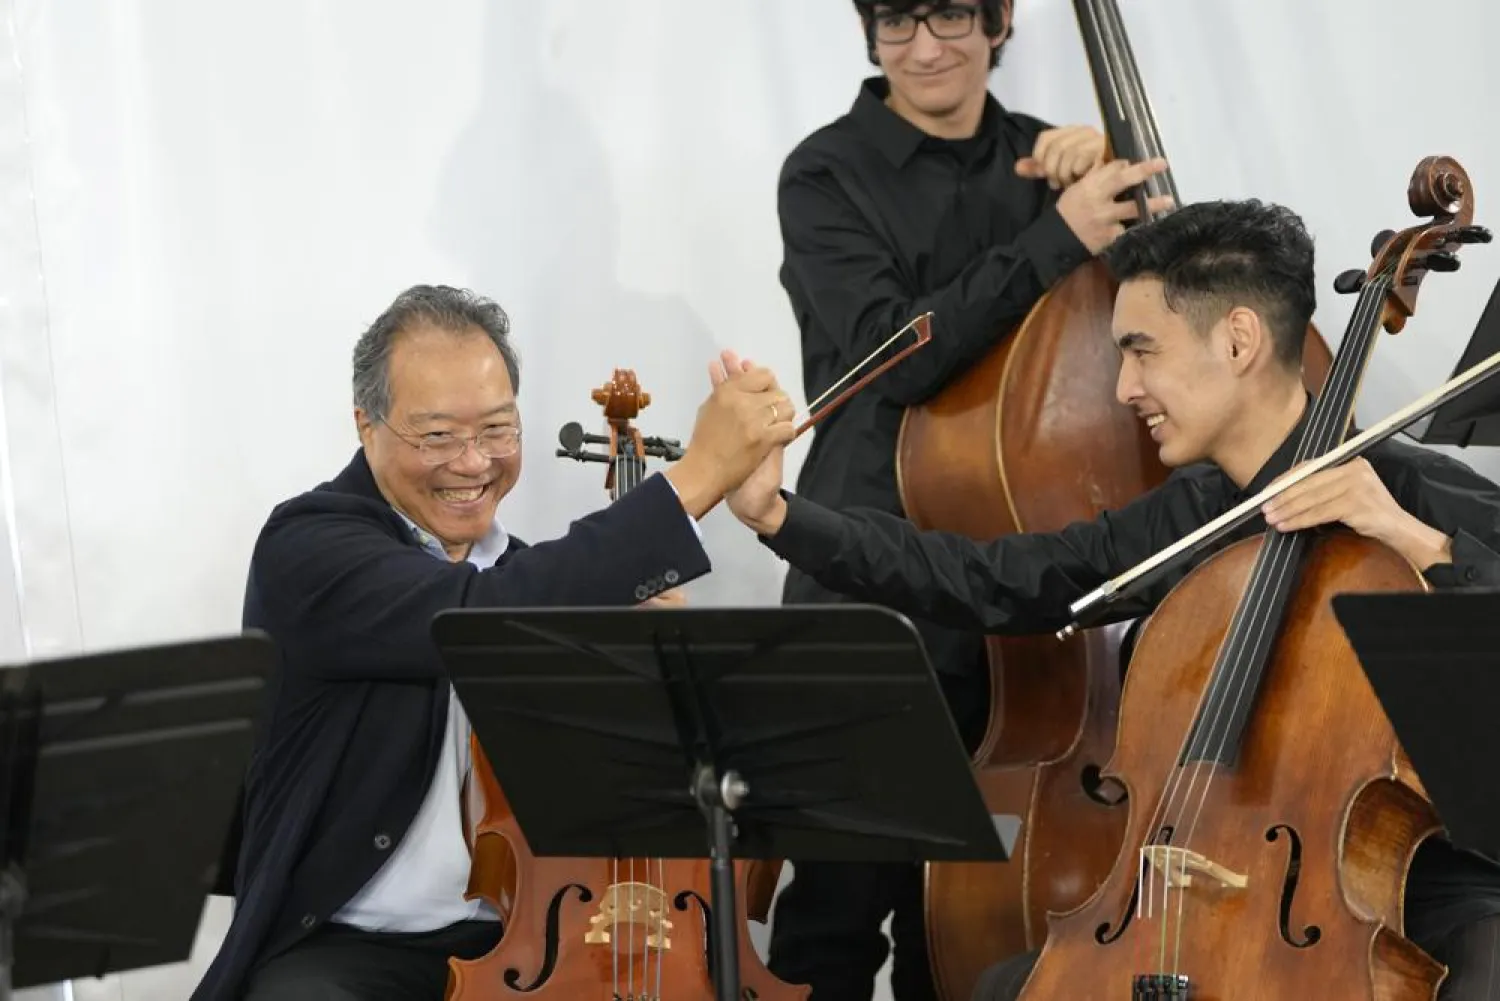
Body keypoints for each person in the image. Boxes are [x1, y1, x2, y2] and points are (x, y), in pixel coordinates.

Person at [724, 199, 1500, 1000]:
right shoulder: (1196, 508)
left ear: (1237, 340)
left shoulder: (1408, 487)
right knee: (1008, 988)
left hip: (1418, 884)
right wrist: (782, 517)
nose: (1125, 387)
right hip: (1212, 885)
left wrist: (1416, 542)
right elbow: (997, 578)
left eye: (1142, 351)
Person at [192, 284, 797, 1001]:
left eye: (498, 430)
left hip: (521, 936)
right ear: (367, 424)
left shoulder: (533, 580)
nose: (474, 462)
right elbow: (472, 618)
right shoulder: (311, 547)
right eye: (438, 435)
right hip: (341, 944)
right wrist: (696, 478)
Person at [766, 1, 1173, 996]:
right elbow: (890, 356)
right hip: (868, 577)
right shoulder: (824, 173)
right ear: (869, 36)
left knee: (965, 935)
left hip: (1019, 596)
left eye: (950, 15)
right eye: (896, 23)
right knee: (833, 914)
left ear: (998, 24)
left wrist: (1118, 206)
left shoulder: (1051, 164)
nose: (925, 47)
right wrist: (1054, 237)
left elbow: (1149, 325)